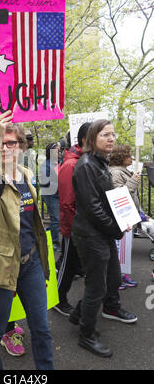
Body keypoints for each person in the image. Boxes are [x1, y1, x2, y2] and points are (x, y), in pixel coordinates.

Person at [0, 104, 54, 370]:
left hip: (30, 263)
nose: (8, 148)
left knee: (41, 329)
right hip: (1, 264)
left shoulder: (27, 175)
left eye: (13, 143)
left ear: (21, 147)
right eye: (3, 143)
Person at [71, 120, 137, 358]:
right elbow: (93, 208)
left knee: (112, 278)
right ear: (92, 139)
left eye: (113, 134)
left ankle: (78, 315)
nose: (111, 138)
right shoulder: (86, 165)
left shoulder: (100, 162)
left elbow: (109, 200)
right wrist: (116, 229)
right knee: (97, 286)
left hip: (103, 232)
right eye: (105, 135)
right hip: (91, 235)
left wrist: (122, 219)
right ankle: (86, 335)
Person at [54, 122, 91, 316]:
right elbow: (68, 203)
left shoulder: (86, 161)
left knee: (73, 264)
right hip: (74, 228)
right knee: (68, 265)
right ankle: (57, 299)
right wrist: (74, 230)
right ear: (85, 140)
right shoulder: (70, 164)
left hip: (85, 228)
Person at [109, 145, 140, 289]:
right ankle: (117, 278)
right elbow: (119, 196)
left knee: (124, 251)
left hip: (127, 218)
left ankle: (121, 276)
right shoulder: (115, 173)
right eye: (129, 155)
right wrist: (133, 180)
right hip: (121, 219)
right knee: (118, 251)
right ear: (121, 157)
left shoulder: (122, 171)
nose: (132, 158)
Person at [40, 142, 61, 252]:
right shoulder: (46, 165)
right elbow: (44, 181)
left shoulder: (59, 162)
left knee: (57, 219)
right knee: (55, 218)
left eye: (59, 150)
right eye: (56, 150)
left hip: (58, 194)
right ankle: (54, 242)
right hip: (50, 194)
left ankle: (49, 233)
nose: (59, 152)